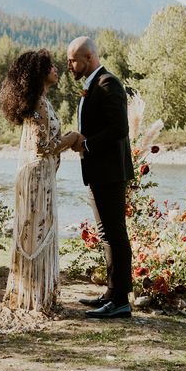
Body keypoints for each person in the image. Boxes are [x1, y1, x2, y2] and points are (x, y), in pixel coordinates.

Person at [0, 49, 78, 312]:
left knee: (34, 229)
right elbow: (44, 146)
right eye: (52, 67)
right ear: (41, 73)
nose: (57, 70)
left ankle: (32, 293)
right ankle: (36, 296)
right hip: (38, 177)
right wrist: (74, 137)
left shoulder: (40, 101)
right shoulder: (40, 104)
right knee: (38, 230)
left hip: (38, 175)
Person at [67, 36, 135, 319]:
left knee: (115, 234)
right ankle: (111, 293)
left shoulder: (109, 83)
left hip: (110, 172)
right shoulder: (92, 85)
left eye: (73, 60)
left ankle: (121, 301)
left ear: (88, 58)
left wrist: (86, 143)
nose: (70, 66)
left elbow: (119, 129)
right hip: (98, 172)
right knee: (106, 233)